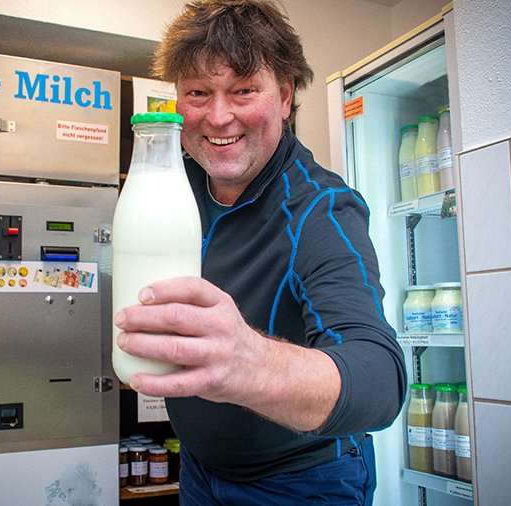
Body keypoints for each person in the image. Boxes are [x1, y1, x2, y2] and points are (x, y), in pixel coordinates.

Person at [112, 0, 406, 503]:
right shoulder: (169, 185)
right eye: (198, 93)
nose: (218, 117)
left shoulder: (320, 208)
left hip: (302, 481)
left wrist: (250, 364)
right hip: (200, 470)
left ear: (286, 96)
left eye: (244, 90)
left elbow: (379, 380)